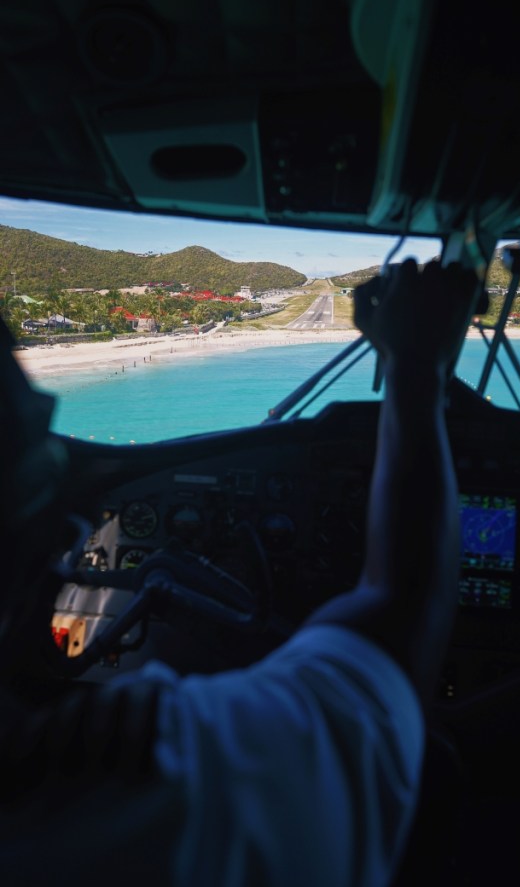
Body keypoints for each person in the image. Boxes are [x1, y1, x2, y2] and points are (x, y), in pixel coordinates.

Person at [0, 260, 478, 887]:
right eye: (38, 491)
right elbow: (403, 602)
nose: (70, 532)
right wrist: (416, 364)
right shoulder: (172, 776)